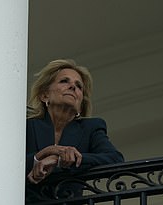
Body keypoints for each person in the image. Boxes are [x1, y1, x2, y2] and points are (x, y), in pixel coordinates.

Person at [25, 59, 124, 202]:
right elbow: (3, 163)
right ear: (44, 95)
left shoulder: (91, 128)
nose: (73, 87)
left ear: (80, 104)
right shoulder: (27, 126)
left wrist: (61, 160)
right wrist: (41, 155)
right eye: (64, 81)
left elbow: (115, 159)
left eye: (79, 86)